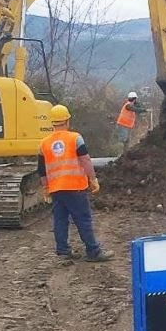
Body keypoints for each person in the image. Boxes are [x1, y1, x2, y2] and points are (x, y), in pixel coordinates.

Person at [39, 104, 114, 265]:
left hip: (56, 189)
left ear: (52, 123)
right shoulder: (75, 138)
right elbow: (85, 159)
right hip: (75, 187)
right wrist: (93, 179)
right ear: (67, 120)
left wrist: (46, 188)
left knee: (60, 220)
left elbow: (42, 170)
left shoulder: (44, 143)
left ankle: (63, 251)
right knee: (83, 219)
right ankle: (93, 251)